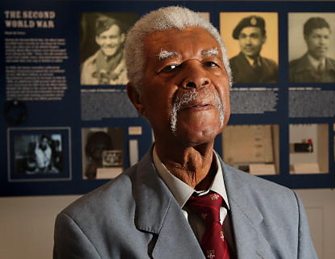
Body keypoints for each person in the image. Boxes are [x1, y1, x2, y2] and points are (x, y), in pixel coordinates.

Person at [54, 6, 317, 259]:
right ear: (138, 98)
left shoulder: (285, 208)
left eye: (211, 63)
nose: (197, 77)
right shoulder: (88, 229)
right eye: (171, 67)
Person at [289, 17, 335, 83]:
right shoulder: (291, 70)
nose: (322, 42)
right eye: (316, 37)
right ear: (306, 38)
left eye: (326, 37)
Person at [229, 15, 278, 83]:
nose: (248, 43)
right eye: (243, 36)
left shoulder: (272, 66)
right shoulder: (228, 67)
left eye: (254, 36)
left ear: (263, 39)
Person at [81, 15, 128, 85]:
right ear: (97, 40)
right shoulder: (88, 66)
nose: (108, 43)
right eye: (103, 37)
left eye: (113, 37)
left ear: (122, 38)